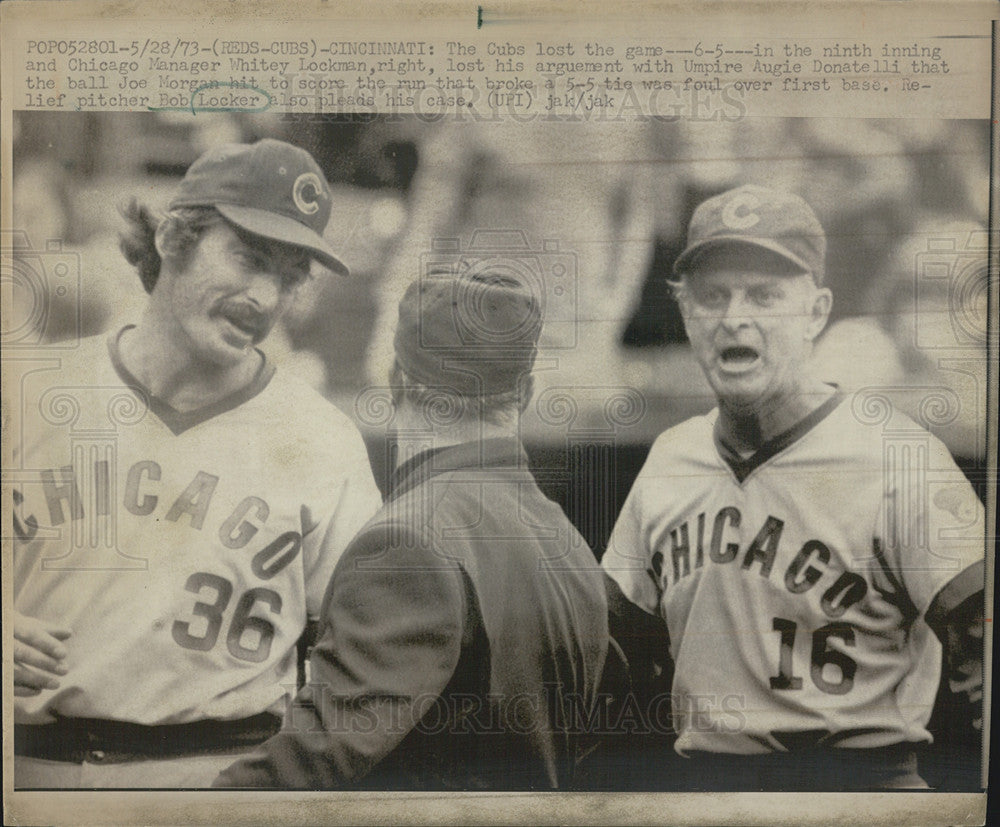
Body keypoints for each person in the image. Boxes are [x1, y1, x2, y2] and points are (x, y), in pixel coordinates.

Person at [11, 139, 383, 788]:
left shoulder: (324, 440)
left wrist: (284, 779)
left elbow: (369, 656)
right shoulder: (32, 395)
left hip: (221, 775)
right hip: (32, 773)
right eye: (248, 257)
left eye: (290, 274)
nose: (266, 296)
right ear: (175, 238)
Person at [601, 185, 985, 790]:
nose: (734, 317)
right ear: (685, 314)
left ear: (815, 312)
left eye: (764, 295)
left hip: (862, 787)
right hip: (708, 789)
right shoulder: (670, 458)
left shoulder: (898, 457)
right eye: (711, 296)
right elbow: (613, 659)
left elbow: (982, 636)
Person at [214, 270, 612, 789]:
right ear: (527, 392)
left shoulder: (406, 543)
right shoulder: (567, 539)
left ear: (396, 378)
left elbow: (314, 761)